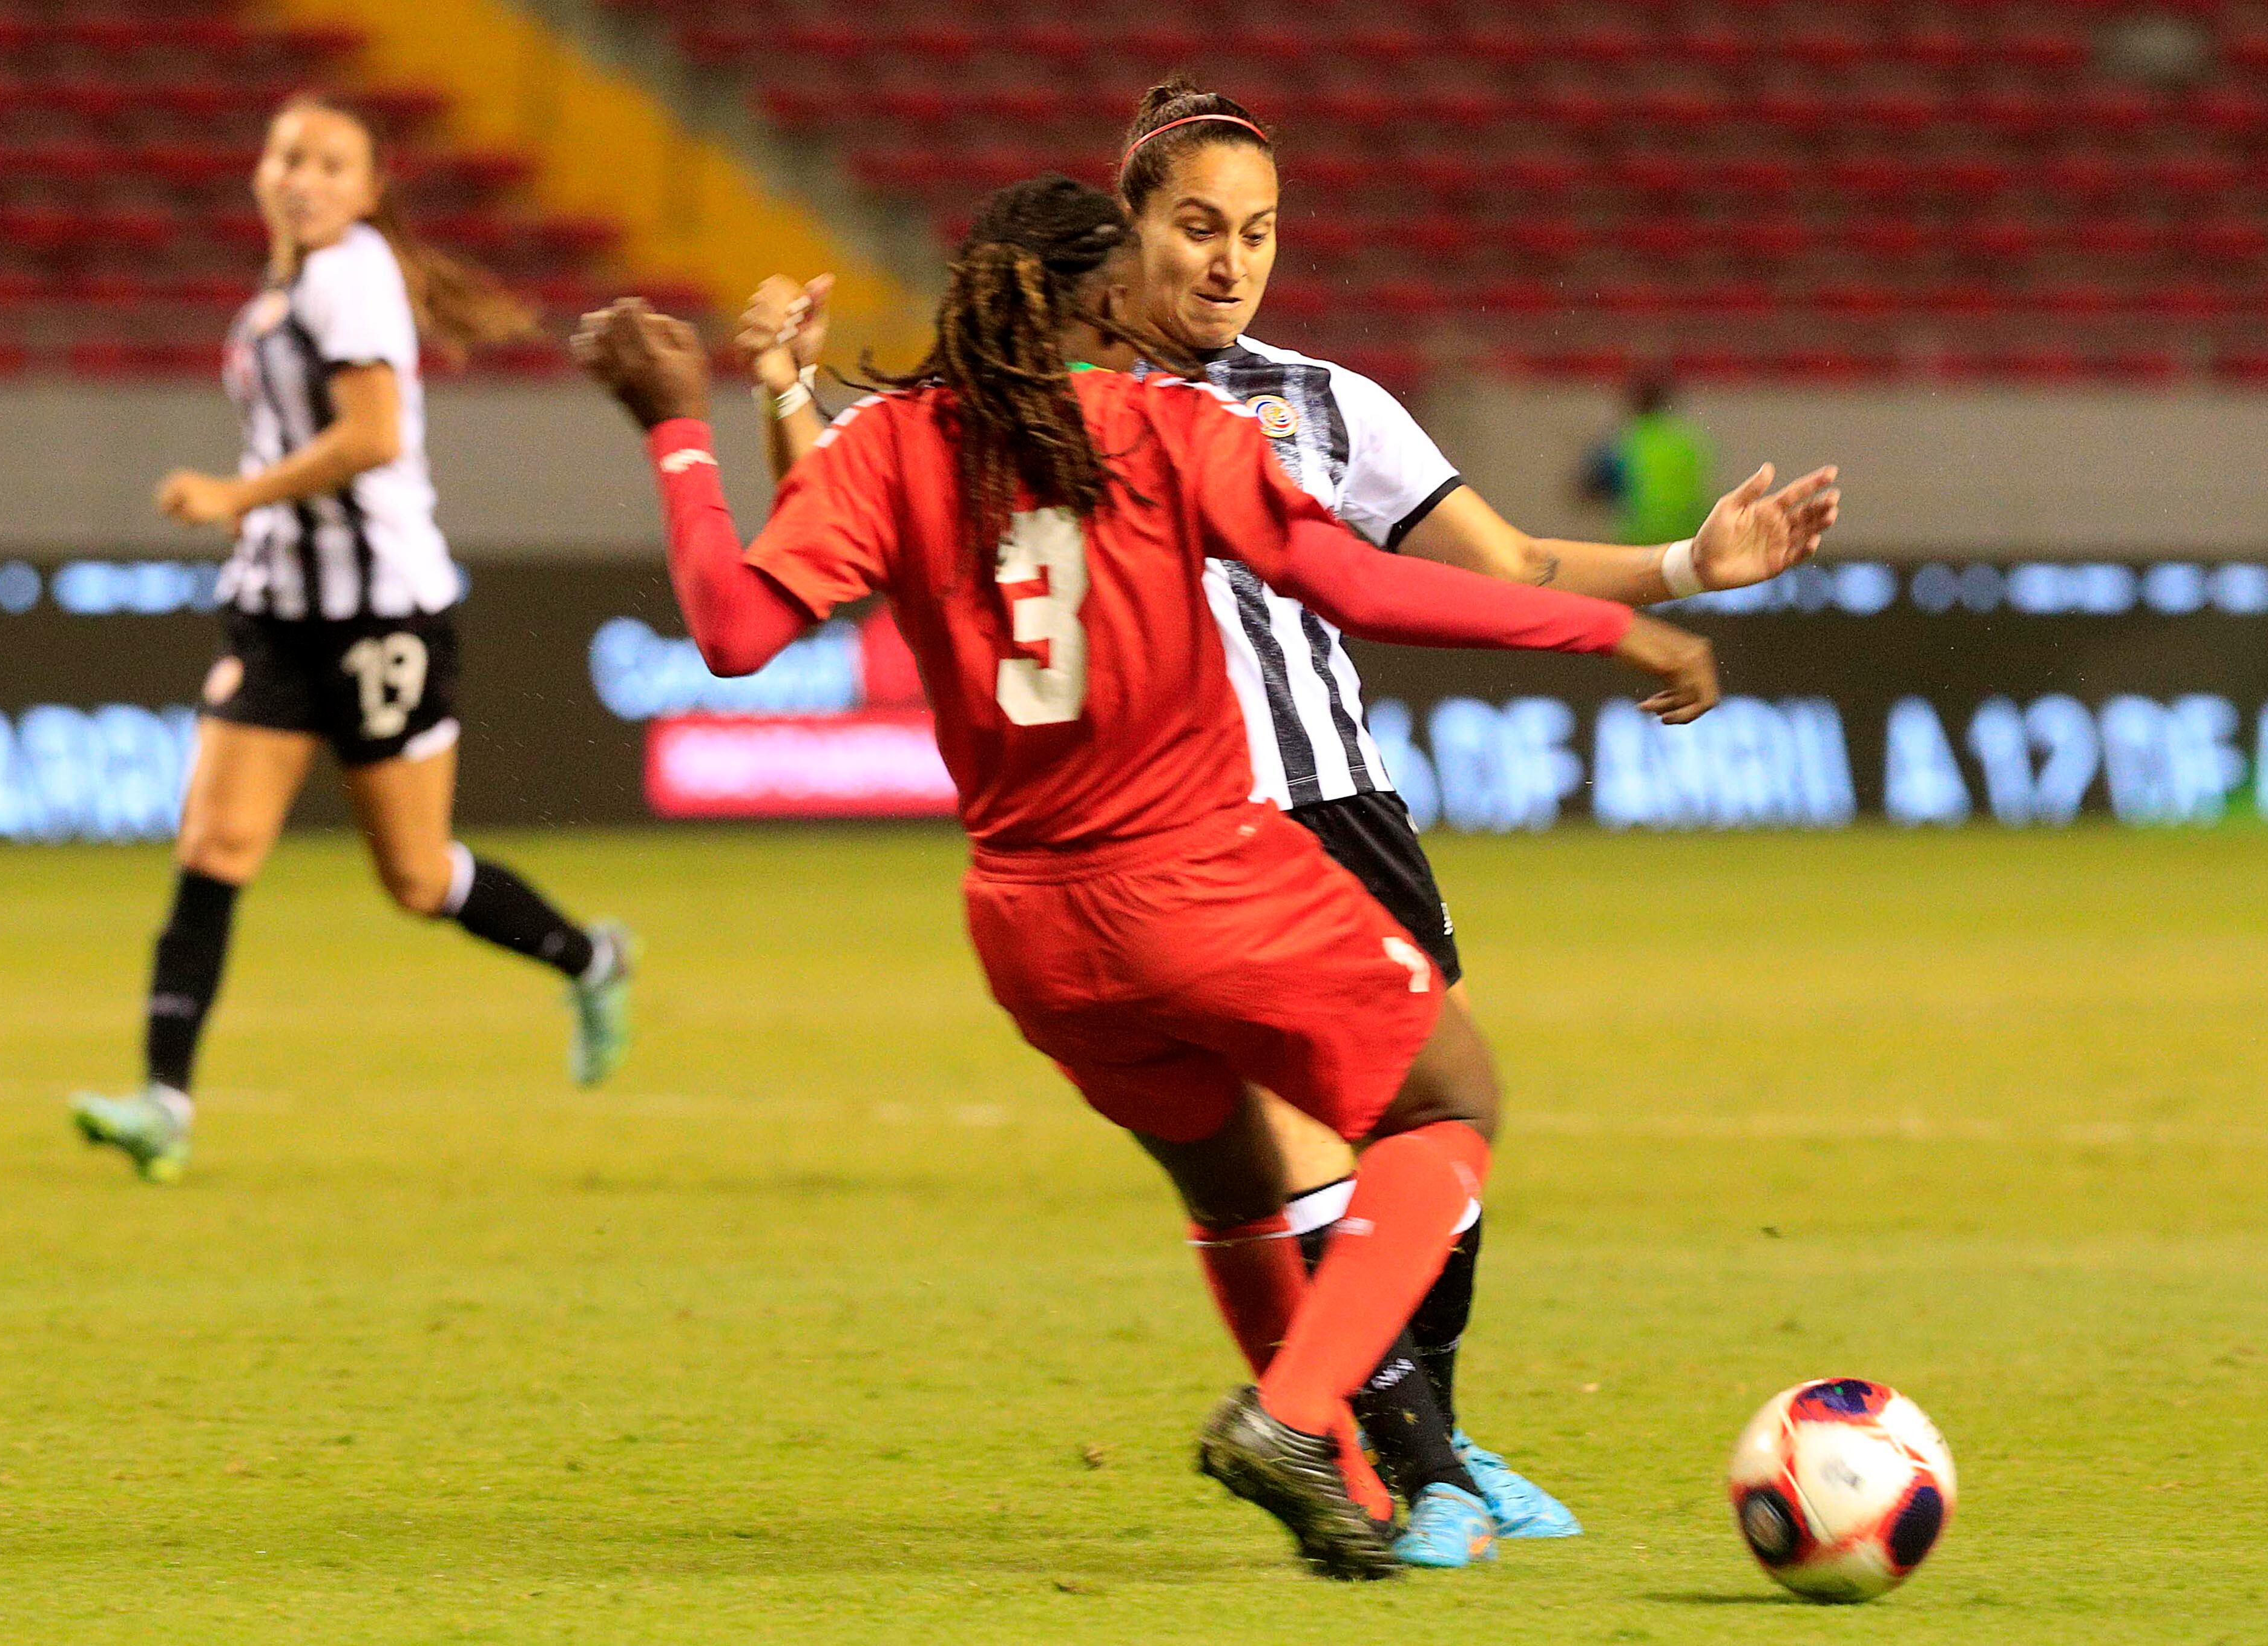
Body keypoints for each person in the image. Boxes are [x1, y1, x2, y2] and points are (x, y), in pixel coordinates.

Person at [730, 78, 1841, 1567]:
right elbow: (827, 528)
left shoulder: (1325, 404)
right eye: (1196, 226)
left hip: (1330, 803)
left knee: (1398, 1158)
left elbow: (1501, 560)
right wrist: (778, 396)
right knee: (1334, 1143)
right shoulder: (1006, 391)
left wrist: (1684, 567)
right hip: (1178, 831)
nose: (1228, 260)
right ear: (1123, 235)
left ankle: (1419, 1444)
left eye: (1256, 232)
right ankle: (1395, 1458)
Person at [70, 94, 635, 1184]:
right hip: (280, 615)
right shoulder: (286, 289)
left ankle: (591, 958)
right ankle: (163, 1102)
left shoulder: (349, 274)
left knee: (417, 877)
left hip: (381, 614)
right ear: (260, 172)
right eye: (289, 156)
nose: (304, 178)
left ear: (370, 190)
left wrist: (237, 493)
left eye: (332, 164)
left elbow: (372, 436)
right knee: (215, 846)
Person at [1579, 373, 1718, 546]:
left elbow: (1590, 488)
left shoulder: (1623, 442)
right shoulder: (1688, 441)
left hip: (1640, 540)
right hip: (1686, 538)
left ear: (1632, 402)